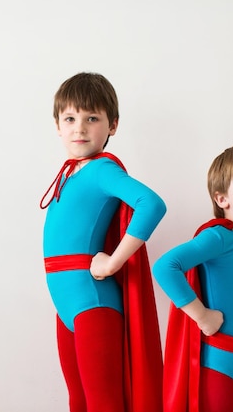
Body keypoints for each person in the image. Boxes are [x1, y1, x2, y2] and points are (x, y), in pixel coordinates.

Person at [40, 72, 166, 412]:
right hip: (67, 304)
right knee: (79, 401)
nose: (79, 128)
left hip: (92, 301)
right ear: (57, 125)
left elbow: (151, 204)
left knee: (103, 404)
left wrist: (113, 262)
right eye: (70, 118)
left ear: (113, 125)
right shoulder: (70, 173)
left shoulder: (100, 170)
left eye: (91, 118)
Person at [153, 144, 233, 412]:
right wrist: (201, 316)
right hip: (220, 365)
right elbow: (165, 266)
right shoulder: (218, 238)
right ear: (222, 199)